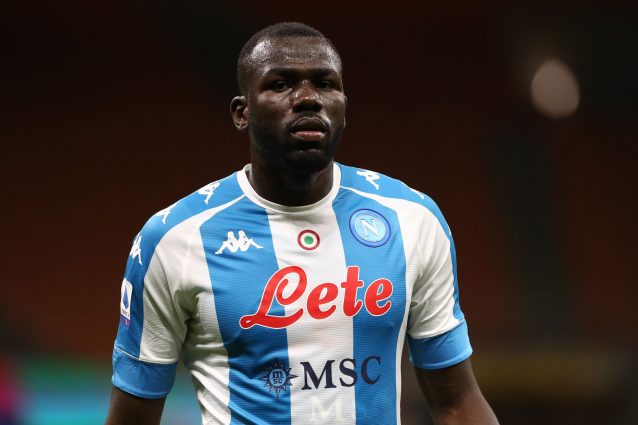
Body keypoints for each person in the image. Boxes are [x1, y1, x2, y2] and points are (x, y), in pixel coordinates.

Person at [105, 22, 499, 425]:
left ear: (343, 105)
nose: (309, 98)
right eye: (281, 84)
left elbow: (457, 403)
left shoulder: (412, 219)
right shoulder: (175, 239)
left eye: (325, 84)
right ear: (242, 113)